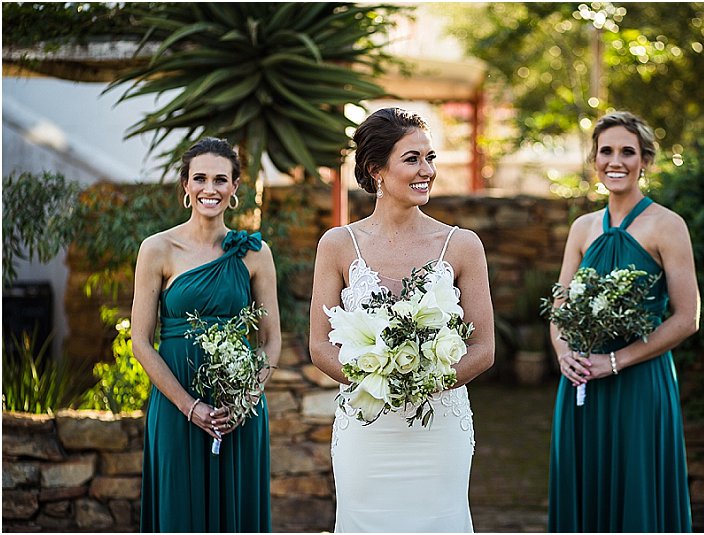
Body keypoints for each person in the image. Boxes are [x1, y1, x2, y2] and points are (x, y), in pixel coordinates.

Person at [309, 107, 495, 532]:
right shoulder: (337, 244)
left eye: (430, 158)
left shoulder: (462, 245)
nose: (426, 170)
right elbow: (320, 345)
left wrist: (422, 383)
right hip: (366, 428)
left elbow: (484, 348)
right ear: (376, 169)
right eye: (412, 159)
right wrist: (376, 382)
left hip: (438, 428)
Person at [547, 111, 700, 532]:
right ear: (595, 160)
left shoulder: (668, 226)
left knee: (637, 491)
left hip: (639, 383)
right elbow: (560, 307)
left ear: (645, 160)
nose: (616, 161)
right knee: (585, 487)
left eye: (627, 152)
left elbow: (687, 318)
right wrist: (564, 354)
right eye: (606, 151)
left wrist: (615, 362)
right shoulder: (582, 228)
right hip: (581, 382)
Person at [131, 137, 281, 532]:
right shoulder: (157, 249)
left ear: (234, 187)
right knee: (179, 511)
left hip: (239, 410)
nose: (209, 189)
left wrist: (247, 399)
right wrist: (189, 406)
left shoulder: (255, 253)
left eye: (220, 180)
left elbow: (271, 341)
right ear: (185, 185)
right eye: (200, 178)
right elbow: (140, 342)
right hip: (175, 403)